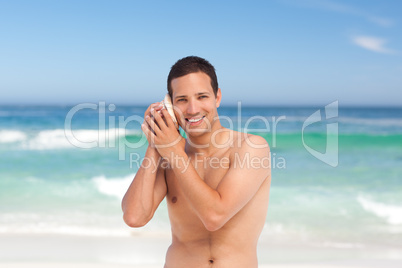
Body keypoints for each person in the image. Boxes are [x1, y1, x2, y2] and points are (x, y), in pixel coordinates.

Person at [122, 56, 271, 267]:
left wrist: (173, 151)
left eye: (202, 96)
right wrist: (155, 143)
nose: (192, 109)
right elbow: (135, 217)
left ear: (217, 97)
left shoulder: (251, 147)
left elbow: (214, 216)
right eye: (182, 100)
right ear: (170, 105)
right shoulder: (168, 156)